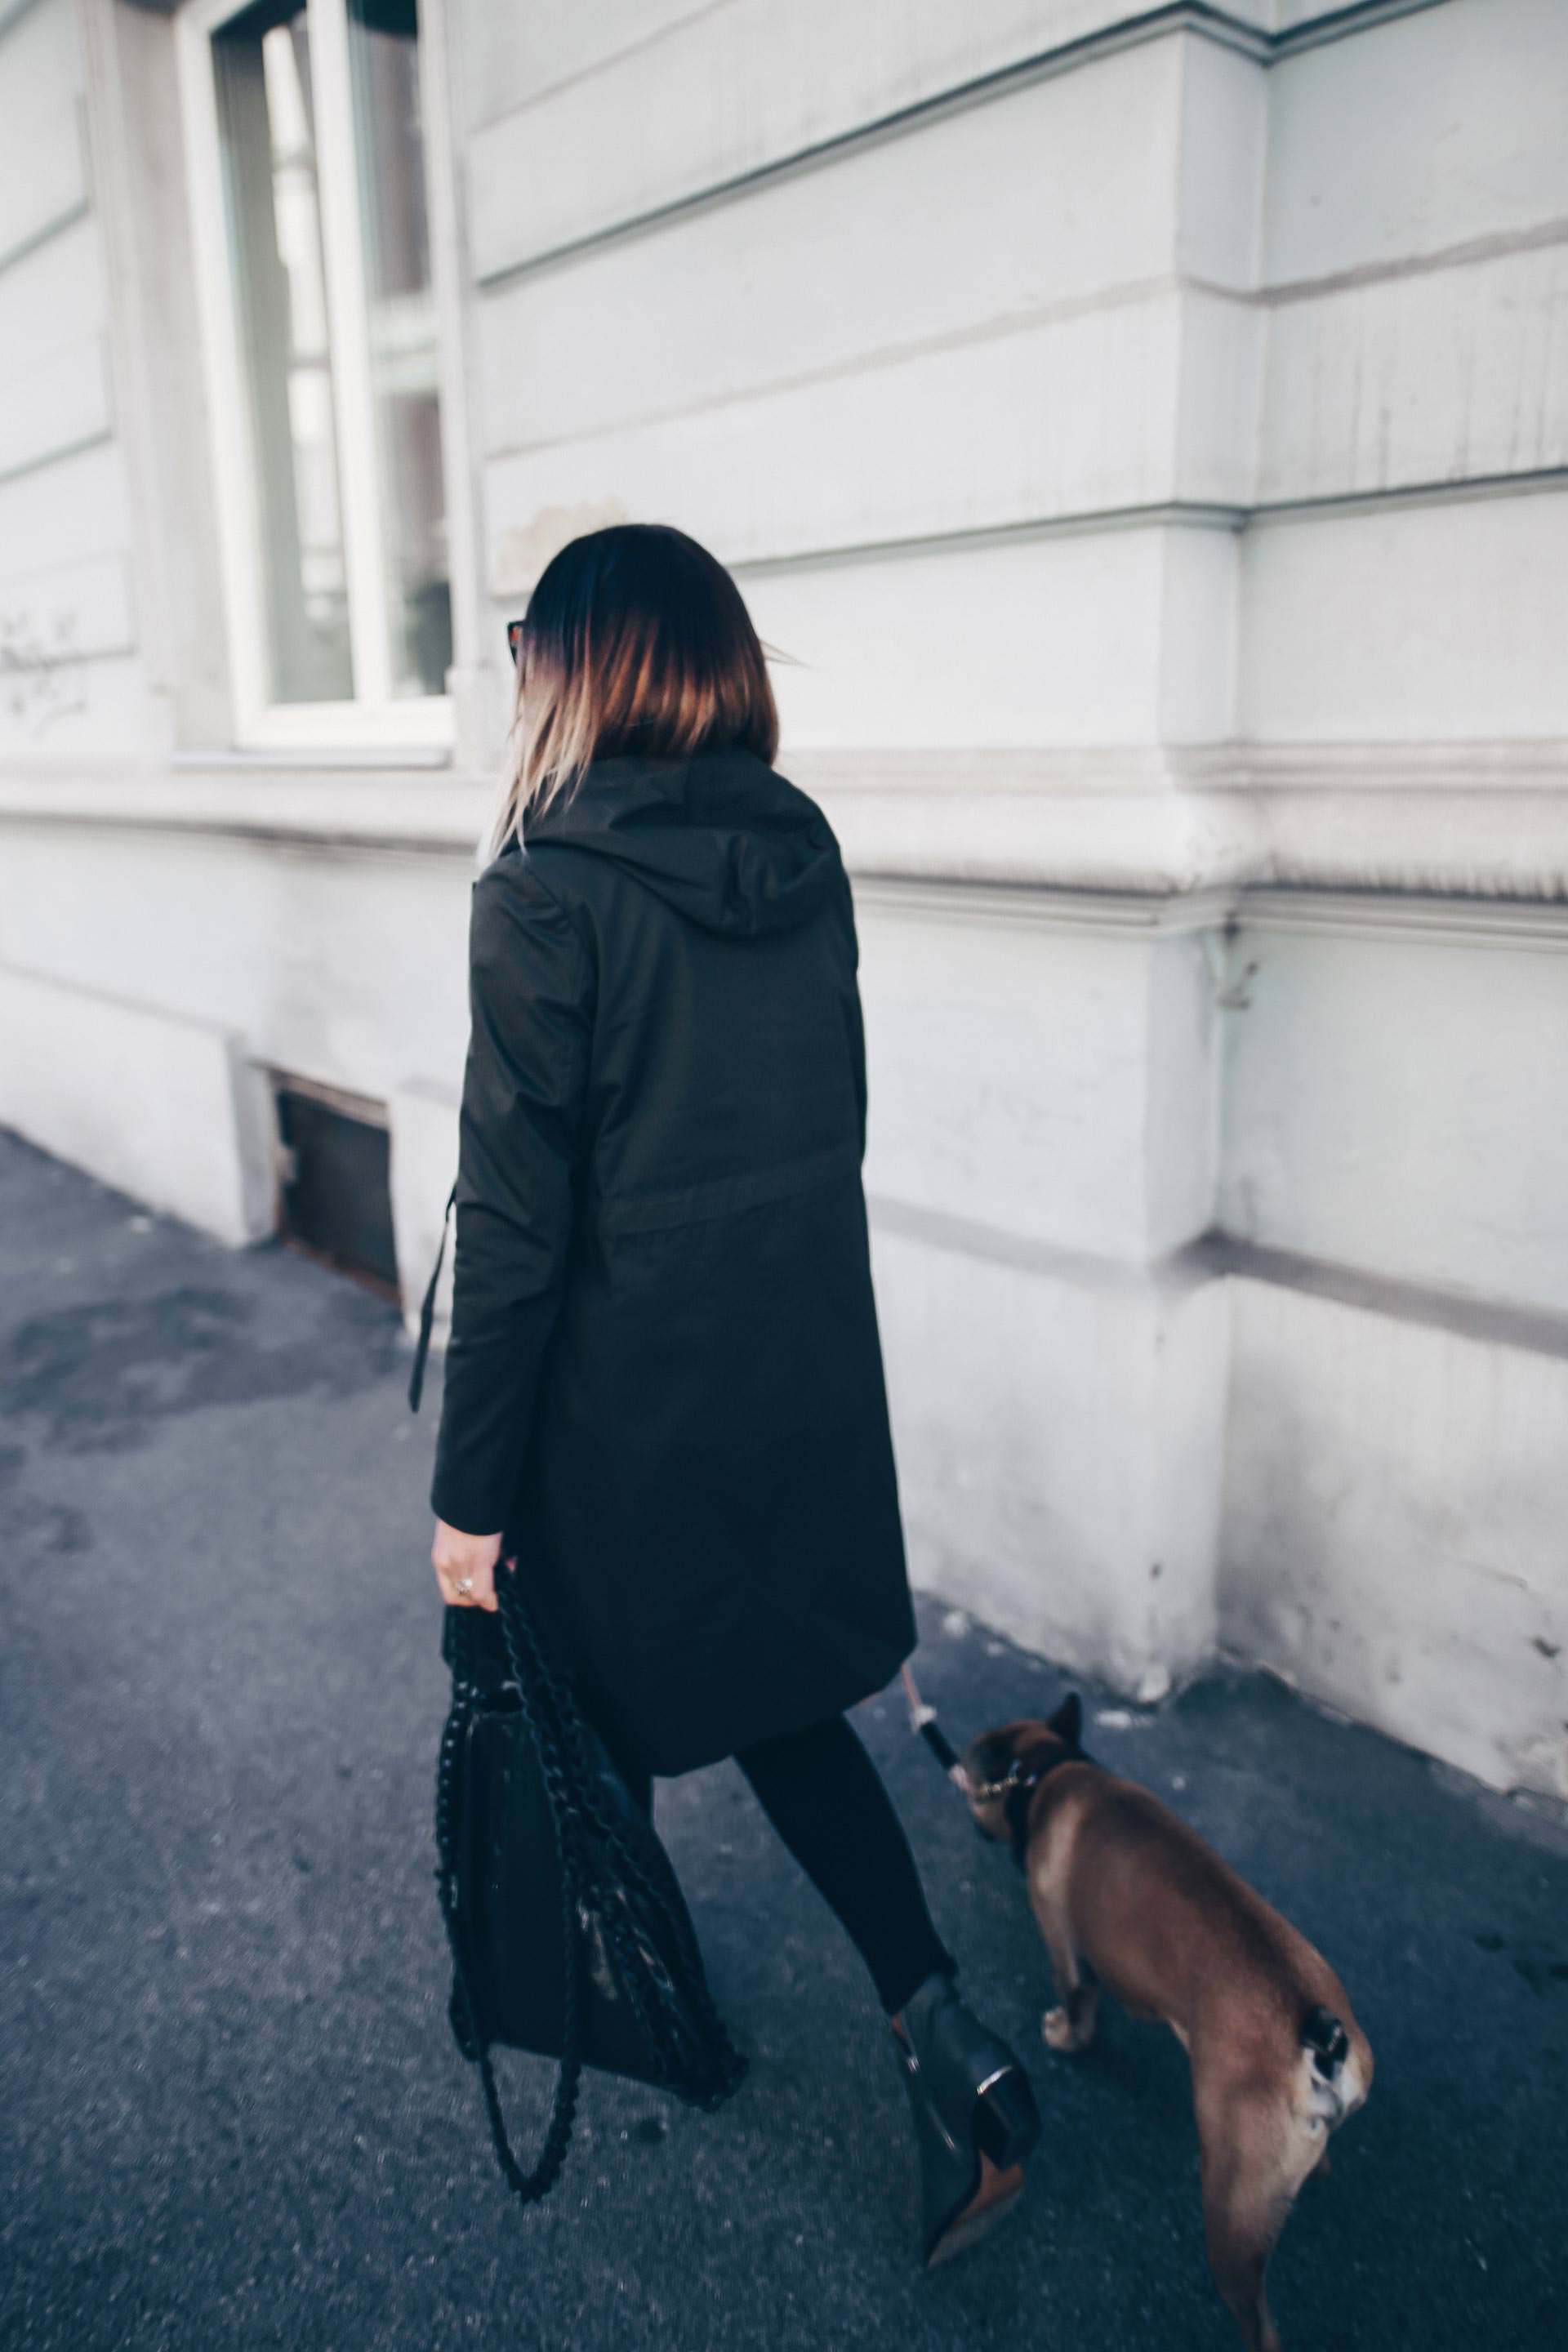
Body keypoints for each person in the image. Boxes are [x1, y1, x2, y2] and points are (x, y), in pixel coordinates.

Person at [425, 522, 1040, 2264]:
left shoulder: (541, 890)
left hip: (615, 1421)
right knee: (778, 1706)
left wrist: (471, 1505)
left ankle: (620, 2003)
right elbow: (819, 1126)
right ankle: (945, 2037)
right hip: (789, 1377)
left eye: (530, 647)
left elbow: (526, 1232)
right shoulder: (798, 850)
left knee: (557, 1706)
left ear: (581, 669)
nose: (517, 678)